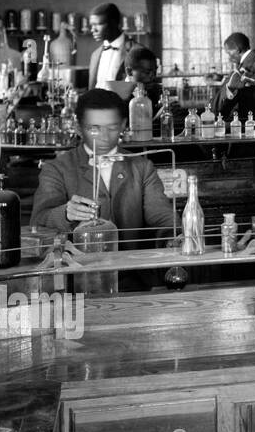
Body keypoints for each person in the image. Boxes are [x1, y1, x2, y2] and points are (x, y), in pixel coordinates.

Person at [31, 88, 176, 291]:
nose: (104, 137)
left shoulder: (141, 167)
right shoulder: (57, 168)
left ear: (124, 125)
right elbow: (38, 220)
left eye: (112, 127)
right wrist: (66, 213)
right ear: (78, 127)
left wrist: (173, 236)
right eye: (94, 128)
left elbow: (161, 216)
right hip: (77, 281)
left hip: (135, 280)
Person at [88, 3, 137, 88]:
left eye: (98, 24)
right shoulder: (95, 55)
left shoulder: (136, 51)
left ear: (113, 23)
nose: (93, 30)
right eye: (92, 25)